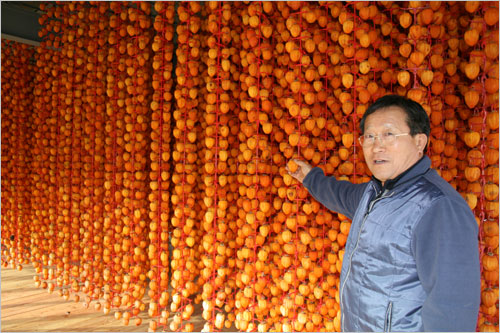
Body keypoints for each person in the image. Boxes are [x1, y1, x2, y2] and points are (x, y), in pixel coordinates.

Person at [287, 95, 480, 332]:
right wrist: (310, 179)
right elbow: (340, 195)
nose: (377, 146)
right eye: (369, 136)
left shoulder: (439, 207)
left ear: (419, 142)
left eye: (389, 134)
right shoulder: (376, 192)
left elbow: (452, 309)